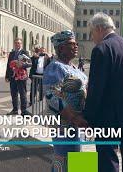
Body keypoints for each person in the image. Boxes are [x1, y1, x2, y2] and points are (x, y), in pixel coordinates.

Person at [84, 12, 123, 172]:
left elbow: (96, 89)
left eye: (92, 32)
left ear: (99, 28)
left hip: (108, 116)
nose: (92, 37)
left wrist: (87, 117)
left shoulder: (101, 49)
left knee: (107, 159)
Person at [43, 30, 88, 172]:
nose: (75, 46)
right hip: (65, 123)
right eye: (71, 44)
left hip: (78, 123)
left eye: (76, 44)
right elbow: (52, 96)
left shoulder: (74, 67)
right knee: (64, 158)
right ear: (61, 48)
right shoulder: (55, 67)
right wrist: (74, 118)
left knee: (77, 158)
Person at [5, 38, 32, 116]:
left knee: (22, 93)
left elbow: (30, 63)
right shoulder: (12, 53)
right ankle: (15, 109)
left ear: (21, 44)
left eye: (19, 43)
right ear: (14, 44)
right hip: (13, 76)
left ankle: (24, 110)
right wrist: (7, 75)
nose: (17, 44)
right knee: (13, 93)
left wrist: (22, 65)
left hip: (21, 77)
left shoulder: (25, 52)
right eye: (16, 43)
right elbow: (8, 65)